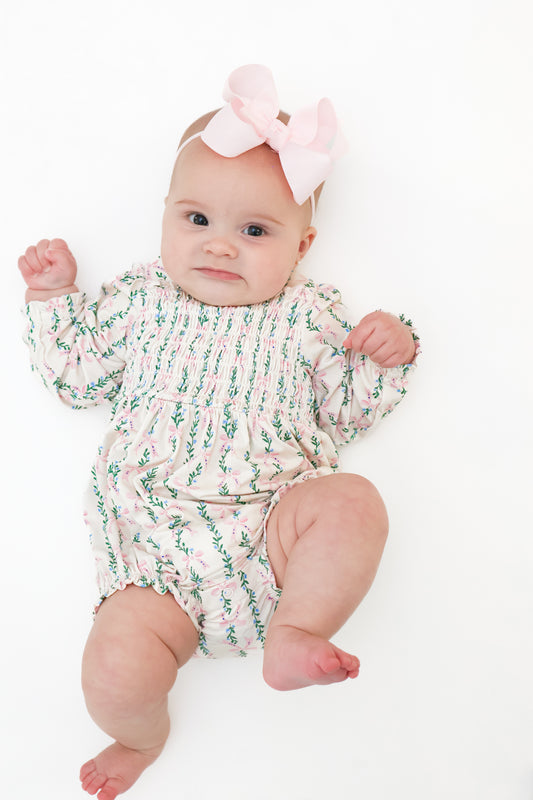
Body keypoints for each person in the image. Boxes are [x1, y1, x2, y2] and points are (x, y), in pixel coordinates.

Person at [19, 65, 419, 800]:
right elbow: (76, 380)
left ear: (300, 248)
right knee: (113, 662)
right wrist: (52, 297)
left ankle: (295, 630)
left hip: (274, 536)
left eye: (255, 230)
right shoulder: (140, 300)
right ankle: (139, 735)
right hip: (156, 567)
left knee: (352, 500)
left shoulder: (307, 315)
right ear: (165, 215)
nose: (219, 246)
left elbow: (347, 411)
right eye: (196, 220)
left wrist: (383, 350)